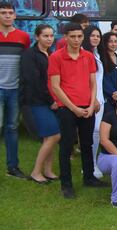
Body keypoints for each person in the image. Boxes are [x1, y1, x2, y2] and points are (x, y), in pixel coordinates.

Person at [48, 23, 107, 198]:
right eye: (72, 37)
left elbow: (93, 82)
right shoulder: (56, 57)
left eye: (79, 37)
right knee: (66, 146)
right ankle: (66, 184)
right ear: (65, 37)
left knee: (87, 143)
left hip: (86, 107)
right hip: (67, 108)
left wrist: (90, 105)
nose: (76, 40)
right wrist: (73, 108)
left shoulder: (88, 56)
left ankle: (89, 177)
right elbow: (55, 87)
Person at [20, 24, 60, 184]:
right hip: (35, 102)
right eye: (45, 36)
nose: (49, 39)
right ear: (37, 37)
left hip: (49, 101)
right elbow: (34, 81)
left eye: (51, 36)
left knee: (49, 136)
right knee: (54, 135)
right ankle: (36, 172)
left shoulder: (50, 53)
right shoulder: (30, 55)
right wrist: (52, 101)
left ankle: (48, 170)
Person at [0, 1, 30, 179]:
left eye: (10, 12)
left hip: (14, 89)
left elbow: (25, 63)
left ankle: (12, 167)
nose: (7, 15)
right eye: (3, 12)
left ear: (15, 15)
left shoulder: (23, 37)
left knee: (12, 128)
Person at [83, 26, 105, 179]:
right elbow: (85, 80)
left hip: (101, 100)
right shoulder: (84, 55)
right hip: (92, 100)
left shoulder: (97, 54)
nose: (96, 38)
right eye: (92, 36)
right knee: (92, 131)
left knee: (97, 132)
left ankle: (93, 163)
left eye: (98, 36)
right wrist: (93, 99)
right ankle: (89, 166)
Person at [98, 31, 117, 115]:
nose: (113, 44)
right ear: (105, 43)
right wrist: (112, 92)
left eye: (115, 41)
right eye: (110, 41)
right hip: (106, 97)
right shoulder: (100, 59)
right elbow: (103, 79)